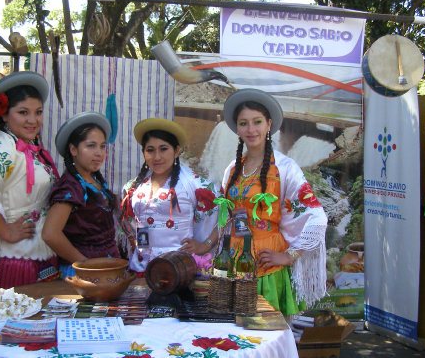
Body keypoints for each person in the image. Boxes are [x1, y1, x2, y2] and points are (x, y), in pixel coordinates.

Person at [221, 88, 327, 316]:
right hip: (234, 262)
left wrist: (290, 255)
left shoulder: (286, 168)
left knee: (267, 334)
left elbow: (316, 215)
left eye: (257, 122)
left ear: (269, 124)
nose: (251, 130)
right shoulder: (232, 169)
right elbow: (225, 217)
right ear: (237, 128)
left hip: (266, 265)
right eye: (244, 123)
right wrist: (205, 245)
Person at [0, 71, 61, 293]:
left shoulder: (29, 149)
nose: (33, 120)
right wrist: (6, 231)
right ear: (5, 115)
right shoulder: (4, 147)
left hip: (38, 253)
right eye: (23, 112)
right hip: (15, 258)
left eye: (38, 112)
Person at [120, 118, 220, 272]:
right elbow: (129, 223)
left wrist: (204, 245)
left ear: (177, 150)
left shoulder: (194, 184)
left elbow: (225, 214)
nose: (157, 157)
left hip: (180, 269)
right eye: (150, 150)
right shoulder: (134, 187)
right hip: (141, 268)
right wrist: (135, 242)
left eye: (163, 149)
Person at [42, 111, 119, 278]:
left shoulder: (93, 180)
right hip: (83, 275)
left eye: (102, 146)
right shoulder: (70, 187)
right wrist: (85, 264)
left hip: (105, 268)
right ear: (73, 149)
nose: (99, 153)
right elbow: (50, 234)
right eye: (91, 146)